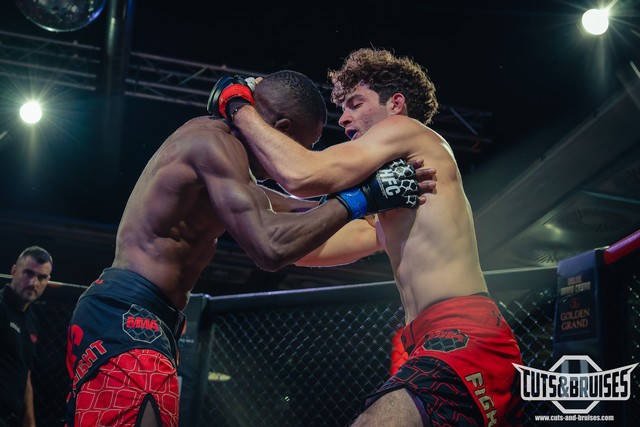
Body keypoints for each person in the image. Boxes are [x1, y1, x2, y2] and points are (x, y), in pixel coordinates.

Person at [64, 70, 435, 427]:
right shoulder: (212, 144)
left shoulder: (231, 165)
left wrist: (373, 210)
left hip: (143, 317)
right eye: (304, 147)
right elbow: (270, 247)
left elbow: (299, 211)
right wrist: (361, 198)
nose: (296, 160)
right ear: (282, 129)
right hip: (129, 315)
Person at [212, 48, 523, 426]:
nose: (344, 118)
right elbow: (310, 246)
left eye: (356, 104)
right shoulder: (395, 202)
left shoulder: (407, 130)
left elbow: (302, 175)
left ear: (396, 104)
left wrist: (238, 106)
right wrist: (225, 189)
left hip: (462, 333)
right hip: (422, 342)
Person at [0, 246, 53, 427]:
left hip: (12, 417)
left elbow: (25, 372)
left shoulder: (32, 321)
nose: (33, 282)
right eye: (28, 273)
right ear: (14, 271)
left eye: (41, 277)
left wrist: (30, 422)